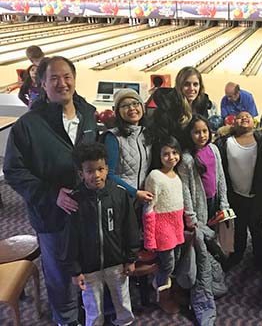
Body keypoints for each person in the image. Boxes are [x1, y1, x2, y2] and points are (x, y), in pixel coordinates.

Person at [3, 56, 98, 326]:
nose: (62, 83)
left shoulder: (88, 114)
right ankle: (66, 321)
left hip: (87, 212)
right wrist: (51, 194)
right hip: (52, 215)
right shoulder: (29, 125)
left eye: (67, 76)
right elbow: (14, 171)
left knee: (87, 271)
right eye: (54, 78)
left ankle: (87, 316)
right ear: (42, 83)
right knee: (60, 279)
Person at [69, 143, 140, 326]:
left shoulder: (119, 195)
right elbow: (71, 238)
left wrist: (131, 257)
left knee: (123, 304)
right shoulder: (76, 201)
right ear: (81, 174)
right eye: (90, 171)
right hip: (88, 267)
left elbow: (130, 228)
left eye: (100, 169)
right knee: (93, 309)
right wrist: (75, 270)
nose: (96, 175)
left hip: (117, 263)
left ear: (107, 169)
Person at [177, 114, 229, 326]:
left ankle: (215, 284)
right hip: (197, 211)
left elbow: (220, 178)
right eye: (196, 132)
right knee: (201, 254)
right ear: (190, 135)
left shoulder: (214, 150)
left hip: (214, 206)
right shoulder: (187, 159)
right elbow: (186, 191)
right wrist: (191, 217)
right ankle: (203, 303)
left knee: (213, 246)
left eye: (204, 131)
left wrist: (224, 203)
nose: (201, 135)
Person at [215, 110, 262, 271]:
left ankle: (260, 258)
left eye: (248, 117)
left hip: (256, 194)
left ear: (254, 122)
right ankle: (238, 254)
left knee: (257, 227)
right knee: (239, 227)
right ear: (233, 123)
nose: (244, 118)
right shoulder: (225, 142)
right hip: (235, 194)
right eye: (239, 117)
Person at [143, 136, 185, 298]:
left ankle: (167, 285)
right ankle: (161, 289)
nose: (171, 157)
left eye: (174, 152)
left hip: (177, 227)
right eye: (166, 154)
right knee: (168, 264)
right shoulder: (155, 176)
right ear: (159, 157)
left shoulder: (176, 175)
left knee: (176, 260)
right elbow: (148, 208)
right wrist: (150, 238)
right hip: (162, 229)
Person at [103, 88, 153, 205]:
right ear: (117, 112)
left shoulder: (147, 134)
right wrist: (135, 192)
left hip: (144, 199)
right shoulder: (113, 137)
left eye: (135, 103)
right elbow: (109, 174)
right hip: (122, 199)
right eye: (125, 105)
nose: (131, 108)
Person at [151, 66, 213, 147]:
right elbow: (164, 141)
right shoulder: (166, 108)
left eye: (195, 84)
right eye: (186, 84)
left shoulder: (202, 105)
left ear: (200, 86)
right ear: (179, 86)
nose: (192, 88)